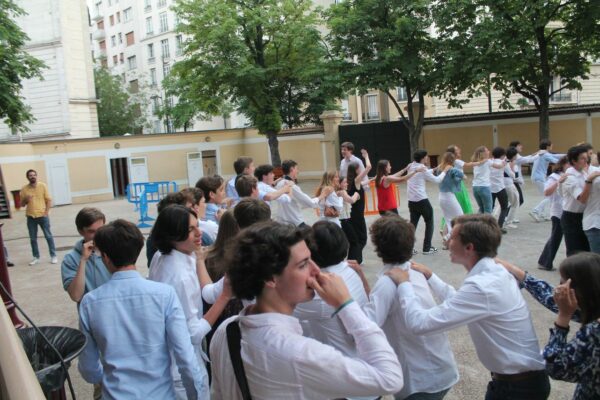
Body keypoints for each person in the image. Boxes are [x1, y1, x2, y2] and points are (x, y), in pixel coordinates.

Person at [210, 221, 404, 399]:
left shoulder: (226, 330)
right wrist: (345, 303)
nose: (316, 270)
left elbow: (218, 393)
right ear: (270, 278)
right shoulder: (299, 353)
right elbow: (390, 377)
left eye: (312, 260)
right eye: (303, 265)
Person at [395, 214, 549, 400]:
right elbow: (462, 302)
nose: (447, 241)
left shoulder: (482, 286)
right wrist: (431, 277)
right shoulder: (493, 272)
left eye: (452, 237)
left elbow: (419, 324)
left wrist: (404, 284)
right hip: (519, 383)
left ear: (469, 248)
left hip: (517, 388)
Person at [78, 219, 205, 399]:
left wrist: (109, 380)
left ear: (105, 257)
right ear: (137, 250)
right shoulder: (164, 295)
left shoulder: (90, 303)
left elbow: (89, 369)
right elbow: (185, 356)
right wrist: (194, 394)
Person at [364, 215, 459, 400]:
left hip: (420, 382)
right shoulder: (416, 270)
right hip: (442, 369)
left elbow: (365, 325)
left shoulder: (387, 282)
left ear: (378, 247)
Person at [148, 205, 231, 399]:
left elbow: (207, 292)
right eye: (190, 230)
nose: (199, 232)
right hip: (182, 370)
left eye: (197, 225)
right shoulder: (179, 276)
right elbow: (193, 334)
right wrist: (225, 297)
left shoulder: (164, 255)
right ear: (172, 235)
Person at [293, 221, 371, 391]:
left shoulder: (319, 293)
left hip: (344, 383)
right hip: (364, 372)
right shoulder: (350, 270)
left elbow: (277, 309)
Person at [543, 252, 600, 399]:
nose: (558, 288)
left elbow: (556, 367)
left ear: (579, 290)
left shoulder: (593, 333)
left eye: (562, 284)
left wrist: (563, 316)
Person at [61, 207, 111, 303]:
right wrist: (83, 260)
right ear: (80, 231)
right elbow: (76, 296)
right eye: (92, 231)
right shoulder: (71, 259)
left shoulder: (114, 249)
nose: (97, 235)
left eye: (101, 229)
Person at [407, 149, 449, 254]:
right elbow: (437, 180)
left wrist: (434, 169)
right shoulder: (423, 168)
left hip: (412, 201)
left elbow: (423, 174)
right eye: (426, 156)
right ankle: (427, 248)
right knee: (429, 222)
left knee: (413, 224)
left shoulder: (411, 166)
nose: (427, 158)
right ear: (422, 158)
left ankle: (408, 248)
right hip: (422, 200)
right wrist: (445, 171)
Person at [275, 159, 331, 227]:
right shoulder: (292, 186)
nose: (298, 171)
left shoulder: (279, 183)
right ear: (292, 169)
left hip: (281, 221)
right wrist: (322, 196)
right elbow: (310, 203)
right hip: (294, 222)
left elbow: (295, 202)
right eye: (297, 169)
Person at [19, 169, 57, 265]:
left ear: (36, 176)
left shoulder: (42, 186)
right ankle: (36, 257)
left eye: (34, 175)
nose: (32, 176)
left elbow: (48, 200)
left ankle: (53, 256)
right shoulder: (24, 189)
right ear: (27, 177)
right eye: (30, 175)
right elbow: (22, 204)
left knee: (48, 236)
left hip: (42, 216)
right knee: (33, 238)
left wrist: (46, 212)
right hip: (31, 217)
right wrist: (25, 199)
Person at [537, 157, 569, 270]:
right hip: (558, 211)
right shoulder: (554, 176)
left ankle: (545, 262)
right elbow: (546, 192)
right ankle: (545, 262)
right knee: (556, 237)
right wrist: (559, 181)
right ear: (563, 164)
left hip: (568, 210)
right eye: (568, 164)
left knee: (562, 237)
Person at [559, 145, 591, 255]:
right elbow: (582, 198)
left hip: (584, 215)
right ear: (574, 161)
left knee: (586, 249)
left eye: (586, 157)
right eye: (582, 158)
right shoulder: (570, 177)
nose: (586, 160)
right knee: (574, 250)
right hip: (571, 217)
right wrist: (590, 181)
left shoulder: (584, 173)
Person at [346, 149, 372, 264]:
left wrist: (373, 179)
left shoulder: (351, 181)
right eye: (359, 168)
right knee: (362, 239)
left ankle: (356, 259)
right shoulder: (356, 180)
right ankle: (354, 259)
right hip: (357, 215)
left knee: (356, 238)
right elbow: (369, 167)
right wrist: (366, 156)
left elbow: (362, 184)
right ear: (356, 170)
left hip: (352, 214)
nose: (361, 169)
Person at [530, 139, 564, 221]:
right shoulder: (545, 154)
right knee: (549, 196)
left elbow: (556, 155)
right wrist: (566, 160)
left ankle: (543, 214)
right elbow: (556, 160)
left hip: (537, 177)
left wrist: (568, 155)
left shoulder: (541, 153)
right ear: (548, 146)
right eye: (551, 145)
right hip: (539, 178)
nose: (552, 146)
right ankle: (535, 211)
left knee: (546, 196)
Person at [437, 152, 465, 247]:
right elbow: (463, 176)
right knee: (461, 218)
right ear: (452, 160)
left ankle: (448, 241)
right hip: (449, 196)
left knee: (448, 220)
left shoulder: (440, 168)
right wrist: (459, 177)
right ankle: (448, 237)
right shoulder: (452, 169)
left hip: (441, 196)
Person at [471, 146, 503, 214]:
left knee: (481, 208)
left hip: (475, 187)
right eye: (487, 151)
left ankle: (478, 220)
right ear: (483, 153)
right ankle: (487, 221)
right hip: (484, 187)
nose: (489, 152)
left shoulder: (475, 162)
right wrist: (505, 161)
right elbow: (499, 166)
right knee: (488, 209)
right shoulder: (488, 161)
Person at [509, 140, 539, 210]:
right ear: (515, 147)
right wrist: (539, 155)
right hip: (514, 181)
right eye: (519, 145)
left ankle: (505, 214)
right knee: (518, 200)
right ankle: (507, 215)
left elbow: (525, 158)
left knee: (513, 200)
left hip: (514, 180)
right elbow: (528, 160)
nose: (521, 147)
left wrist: (533, 154)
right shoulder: (516, 157)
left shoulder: (515, 156)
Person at [489, 147, 509, 232]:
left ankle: (488, 226)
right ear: (502, 155)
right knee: (504, 207)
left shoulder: (490, 162)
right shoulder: (503, 162)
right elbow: (509, 172)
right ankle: (499, 226)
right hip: (500, 187)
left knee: (490, 208)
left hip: (490, 188)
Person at [503, 147, 520, 228]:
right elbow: (513, 175)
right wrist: (513, 169)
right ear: (513, 156)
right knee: (515, 202)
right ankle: (509, 221)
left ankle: (496, 216)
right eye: (516, 155)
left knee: (505, 202)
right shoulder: (509, 163)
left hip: (503, 184)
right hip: (509, 184)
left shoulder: (504, 160)